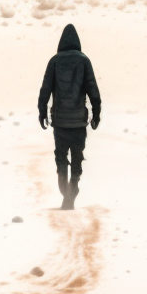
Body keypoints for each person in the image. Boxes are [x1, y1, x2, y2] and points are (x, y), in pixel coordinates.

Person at [37, 23, 101, 210]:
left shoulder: (54, 61)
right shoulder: (84, 61)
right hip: (79, 121)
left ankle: (65, 192)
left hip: (60, 121)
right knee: (77, 156)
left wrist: (42, 112)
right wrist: (96, 113)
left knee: (61, 157)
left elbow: (45, 90)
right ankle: (73, 189)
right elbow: (93, 90)